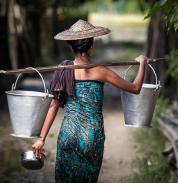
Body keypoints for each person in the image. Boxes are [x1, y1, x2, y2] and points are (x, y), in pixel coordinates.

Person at [32, 19, 149, 183]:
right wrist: (142, 64)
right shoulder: (101, 71)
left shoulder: (63, 70)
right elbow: (135, 88)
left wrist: (41, 138)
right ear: (91, 46)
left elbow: (54, 106)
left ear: (71, 46)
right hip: (92, 138)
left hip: (68, 136)